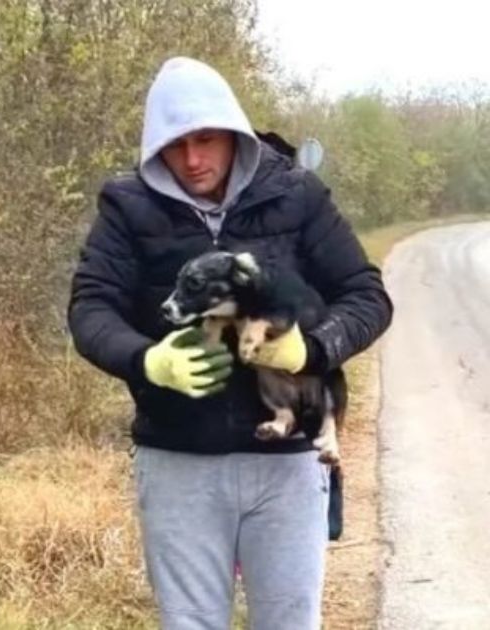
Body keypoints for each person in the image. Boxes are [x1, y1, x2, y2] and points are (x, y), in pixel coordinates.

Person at [66, 56, 393, 629]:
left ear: (234, 133)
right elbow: (90, 310)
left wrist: (311, 351)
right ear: (154, 147)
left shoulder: (298, 194)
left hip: (288, 465)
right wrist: (149, 361)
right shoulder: (126, 206)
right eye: (176, 145)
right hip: (178, 461)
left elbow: (367, 297)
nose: (192, 159)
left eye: (206, 139)